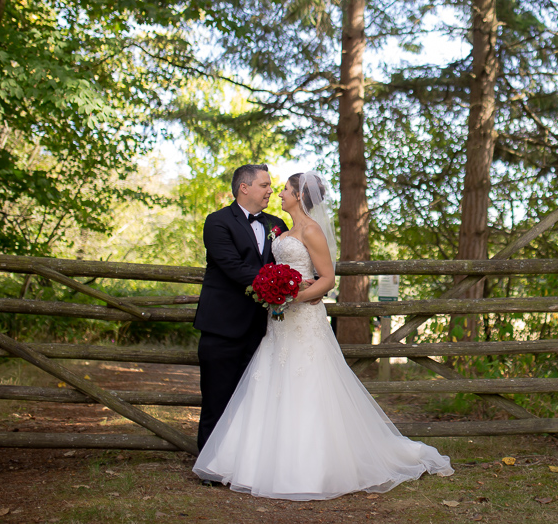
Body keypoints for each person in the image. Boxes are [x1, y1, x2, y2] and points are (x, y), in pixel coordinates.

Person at [193, 172, 453, 500]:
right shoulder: (257, 226)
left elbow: (325, 277)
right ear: (244, 187)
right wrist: (279, 290)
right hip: (272, 321)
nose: (276, 193)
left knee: (307, 385)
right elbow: (242, 266)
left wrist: (294, 295)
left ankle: (308, 466)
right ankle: (240, 462)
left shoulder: (302, 228)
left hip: (298, 317)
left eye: (283, 189)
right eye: (268, 187)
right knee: (262, 387)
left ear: (299, 196)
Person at [193, 164, 290, 452]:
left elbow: (288, 263)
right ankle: (210, 466)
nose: (270, 190)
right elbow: (234, 268)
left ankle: (244, 462)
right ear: (244, 187)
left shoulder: (277, 225)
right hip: (221, 326)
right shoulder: (217, 222)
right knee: (216, 399)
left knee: (255, 401)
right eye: (264, 185)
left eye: (271, 186)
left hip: (263, 328)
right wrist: (282, 283)